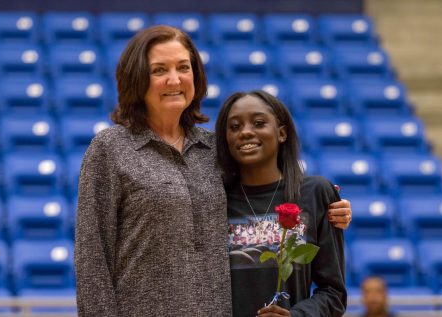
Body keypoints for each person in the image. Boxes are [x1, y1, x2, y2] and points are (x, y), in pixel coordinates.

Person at [74, 25, 352, 316]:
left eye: (183, 67)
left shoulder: (214, 149)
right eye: (159, 70)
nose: (174, 79)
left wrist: (332, 209)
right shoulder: (110, 148)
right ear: (138, 78)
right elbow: (92, 258)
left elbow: (265, 191)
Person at [215, 90, 347, 316]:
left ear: (282, 133)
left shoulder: (315, 193)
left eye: (258, 123)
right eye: (235, 127)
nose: (245, 132)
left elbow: (334, 293)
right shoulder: (214, 199)